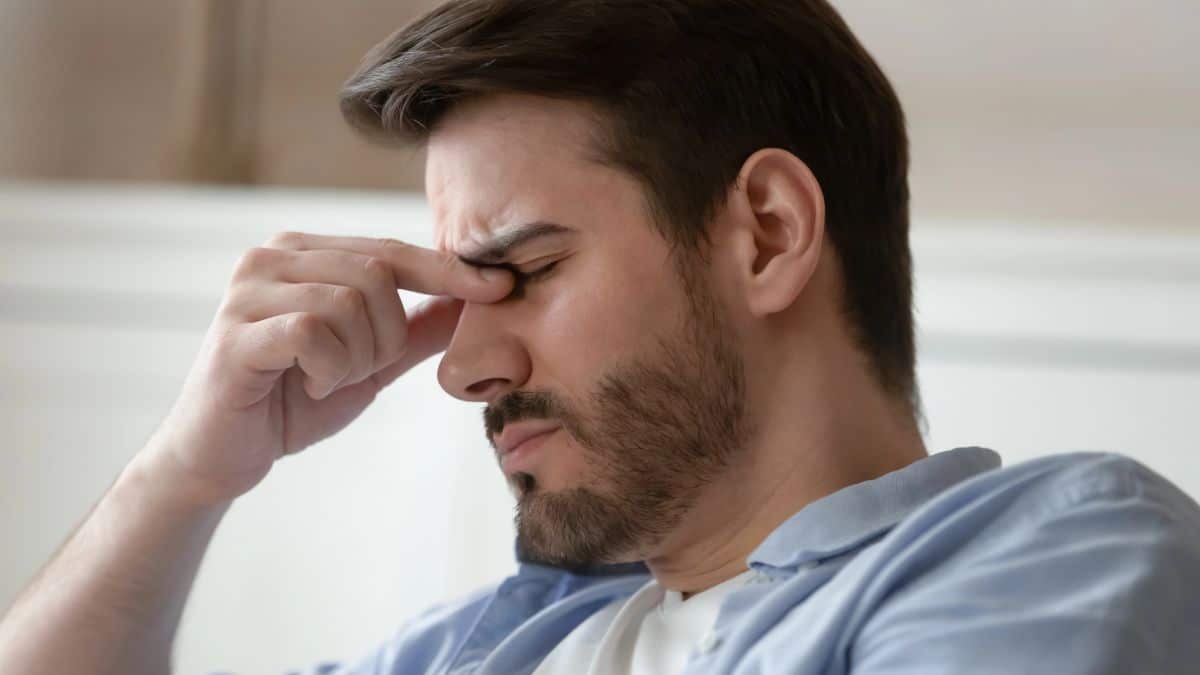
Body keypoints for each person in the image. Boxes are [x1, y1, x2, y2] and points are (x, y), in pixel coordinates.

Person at [3, 1, 1199, 673]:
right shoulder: (485, 649)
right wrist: (184, 474)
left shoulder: (1054, 552)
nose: (465, 368)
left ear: (769, 234)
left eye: (521, 272)